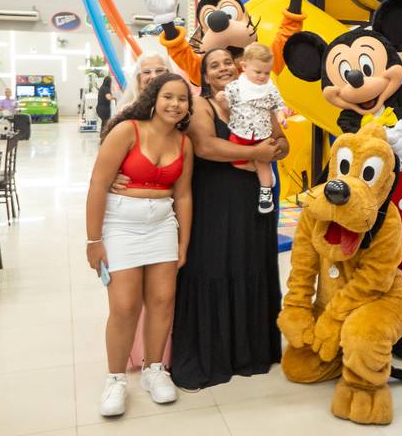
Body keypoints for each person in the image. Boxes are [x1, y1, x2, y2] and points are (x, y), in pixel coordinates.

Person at [113, 48, 288, 389]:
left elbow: (281, 142)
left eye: (227, 63)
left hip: (253, 202)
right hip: (215, 201)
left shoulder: (259, 99)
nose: (222, 68)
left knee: (250, 265)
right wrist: (257, 152)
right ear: (204, 75)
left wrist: (276, 148)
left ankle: (250, 350)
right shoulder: (201, 106)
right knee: (212, 267)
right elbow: (207, 147)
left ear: (239, 67)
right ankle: (210, 353)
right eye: (214, 65)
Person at [86, 73, 194, 416]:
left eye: (182, 99)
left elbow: (184, 195)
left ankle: (154, 370)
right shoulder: (127, 131)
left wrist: (184, 242)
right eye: (168, 97)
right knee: (124, 306)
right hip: (121, 226)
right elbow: (98, 184)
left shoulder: (184, 143)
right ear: (154, 99)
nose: (175, 104)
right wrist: (93, 240)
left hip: (162, 225)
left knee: (163, 301)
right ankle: (116, 380)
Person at [214, 43, 288, 214]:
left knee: (262, 161)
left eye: (266, 73)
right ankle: (258, 170)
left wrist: (281, 116)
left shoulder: (269, 88)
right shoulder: (236, 87)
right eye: (258, 72)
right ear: (244, 66)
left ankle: (265, 191)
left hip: (262, 133)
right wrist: (222, 100)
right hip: (240, 132)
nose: (262, 77)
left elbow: (278, 105)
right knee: (237, 161)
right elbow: (228, 107)